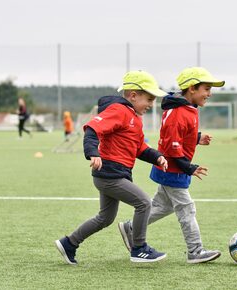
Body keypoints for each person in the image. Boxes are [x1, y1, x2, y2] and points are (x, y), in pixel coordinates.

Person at [55, 70, 169, 265]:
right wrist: (93, 153)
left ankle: (69, 243)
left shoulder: (134, 117)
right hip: (110, 175)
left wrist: (157, 157)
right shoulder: (119, 111)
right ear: (133, 95)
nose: (152, 105)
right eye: (149, 99)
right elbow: (92, 129)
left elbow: (139, 148)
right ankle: (139, 248)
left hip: (115, 174)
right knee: (144, 203)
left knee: (105, 218)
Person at [118, 67, 224, 264]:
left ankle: (131, 227)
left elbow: (182, 136)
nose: (209, 94)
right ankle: (195, 251)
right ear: (192, 88)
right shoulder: (178, 113)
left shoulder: (187, 109)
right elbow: (171, 146)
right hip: (173, 169)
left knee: (163, 206)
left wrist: (197, 138)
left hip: (173, 169)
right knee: (186, 208)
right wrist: (190, 167)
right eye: (206, 89)